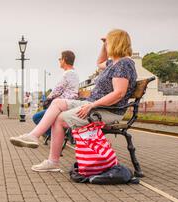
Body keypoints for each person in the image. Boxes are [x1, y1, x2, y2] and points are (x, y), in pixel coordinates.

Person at [10, 29, 138, 172]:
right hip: (94, 104)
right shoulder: (114, 63)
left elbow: (119, 93)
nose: (107, 46)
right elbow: (99, 62)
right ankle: (33, 136)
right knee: (57, 103)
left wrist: (92, 105)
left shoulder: (124, 64)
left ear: (115, 43)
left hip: (107, 110)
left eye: (108, 43)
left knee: (59, 119)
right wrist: (103, 45)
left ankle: (53, 161)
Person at [32, 50, 80, 139]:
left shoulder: (67, 74)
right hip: (70, 103)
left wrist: (47, 98)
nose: (59, 61)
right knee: (47, 117)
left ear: (64, 59)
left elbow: (57, 90)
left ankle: (55, 135)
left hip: (63, 105)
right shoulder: (75, 73)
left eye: (60, 59)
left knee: (36, 117)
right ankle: (56, 134)